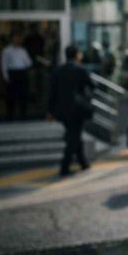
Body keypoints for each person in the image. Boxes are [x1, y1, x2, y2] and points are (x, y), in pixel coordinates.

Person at [48, 45, 94, 176]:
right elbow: (92, 85)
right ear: (77, 55)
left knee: (74, 134)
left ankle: (83, 162)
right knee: (73, 137)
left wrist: (50, 110)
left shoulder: (58, 70)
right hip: (77, 109)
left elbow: (52, 92)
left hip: (61, 110)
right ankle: (65, 165)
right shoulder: (80, 69)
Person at [1, 32, 33, 120]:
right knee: (11, 96)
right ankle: (10, 115)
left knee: (23, 94)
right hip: (12, 73)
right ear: (11, 39)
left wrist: (26, 62)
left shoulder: (23, 50)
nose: (17, 40)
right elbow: (4, 64)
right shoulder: (6, 50)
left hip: (22, 73)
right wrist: (5, 76)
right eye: (15, 38)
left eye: (18, 38)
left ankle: (23, 115)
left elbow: (29, 63)